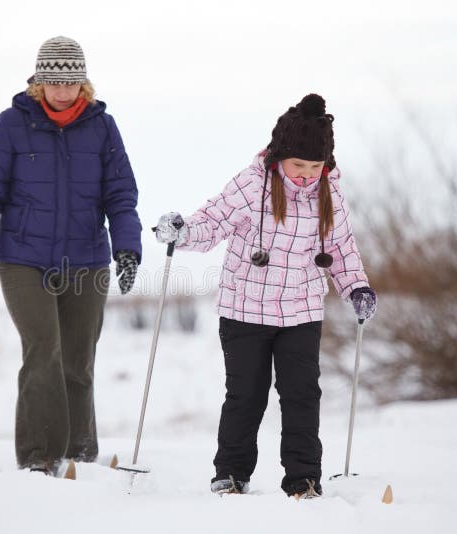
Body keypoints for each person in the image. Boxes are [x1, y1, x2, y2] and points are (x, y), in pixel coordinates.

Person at [154, 94, 376, 498]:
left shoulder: (331, 195)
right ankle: (231, 473)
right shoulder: (252, 184)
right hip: (244, 311)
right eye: (298, 165)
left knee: (302, 395)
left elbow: (342, 249)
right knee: (246, 395)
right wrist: (182, 231)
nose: (307, 175)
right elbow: (214, 220)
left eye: (315, 167)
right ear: (278, 157)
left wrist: (356, 287)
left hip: (301, 312)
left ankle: (304, 477)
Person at [0, 35, 142, 475]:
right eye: (54, 82)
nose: (62, 91)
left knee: (78, 359)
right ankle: (39, 456)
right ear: (39, 82)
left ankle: (79, 453)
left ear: (84, 83)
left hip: (87, 259)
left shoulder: (101, 127)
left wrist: (128, 248)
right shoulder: (12, 124)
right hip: (25, 259)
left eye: (71, 82)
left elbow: (120, 195)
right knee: (43, 351)